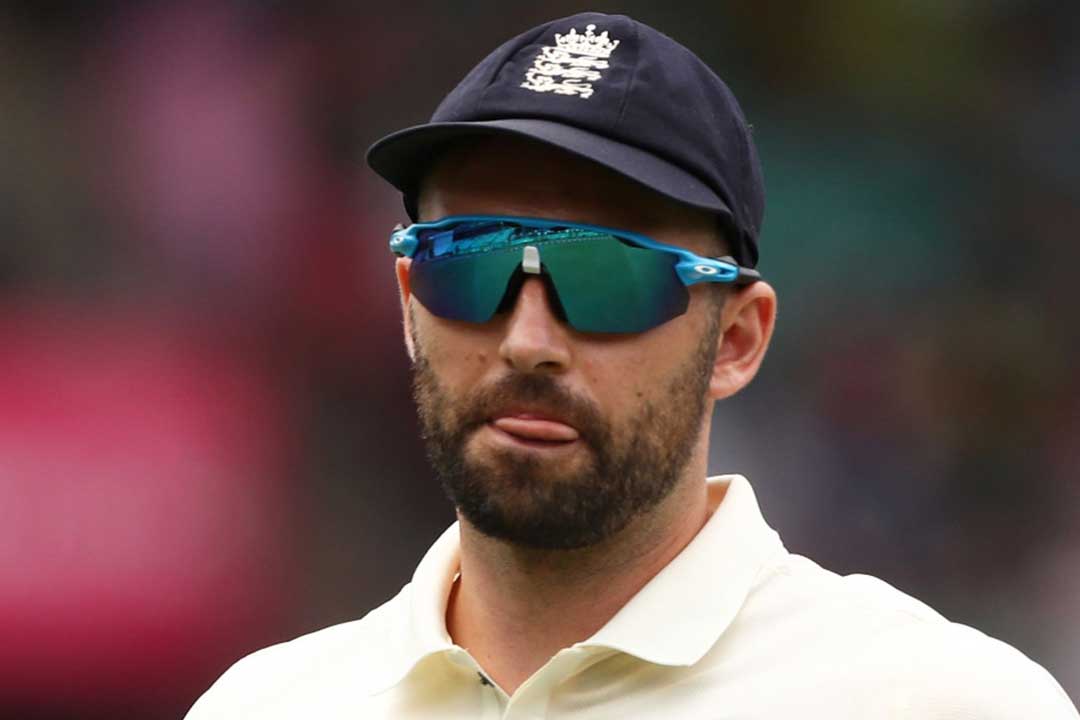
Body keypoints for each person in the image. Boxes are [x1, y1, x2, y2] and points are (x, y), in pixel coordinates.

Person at [185, 12, 1078, 719]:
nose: (529, 339)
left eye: (607, 275)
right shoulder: (271, 706)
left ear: (737, 340)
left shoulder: (938, 704)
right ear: (410, 301)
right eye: (471, 260)